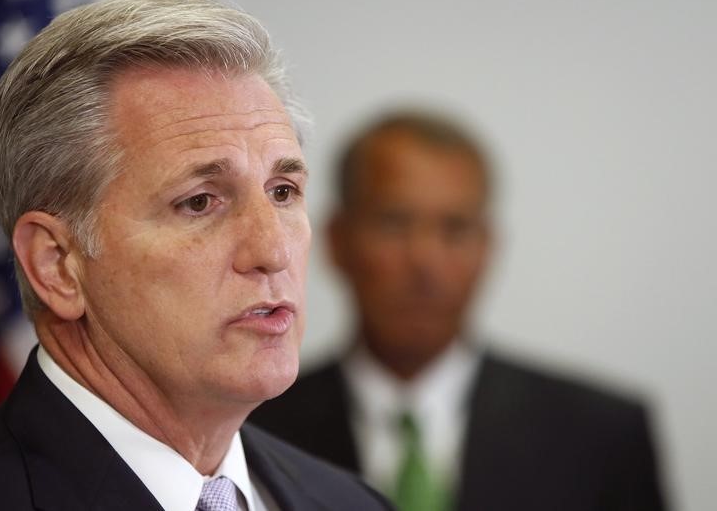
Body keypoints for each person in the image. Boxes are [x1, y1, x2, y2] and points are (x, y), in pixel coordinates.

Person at [0, 0, 393, 511]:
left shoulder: (353, 502)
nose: (273, 250)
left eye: (283, 192)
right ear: (57, 264)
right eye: (199, 202)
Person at [250, 110, 668, 510]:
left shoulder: (602, 437)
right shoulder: (250, 428)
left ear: (487, 248)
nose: (425, 260)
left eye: (455, 228)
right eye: (393, 222)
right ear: (337, 241)